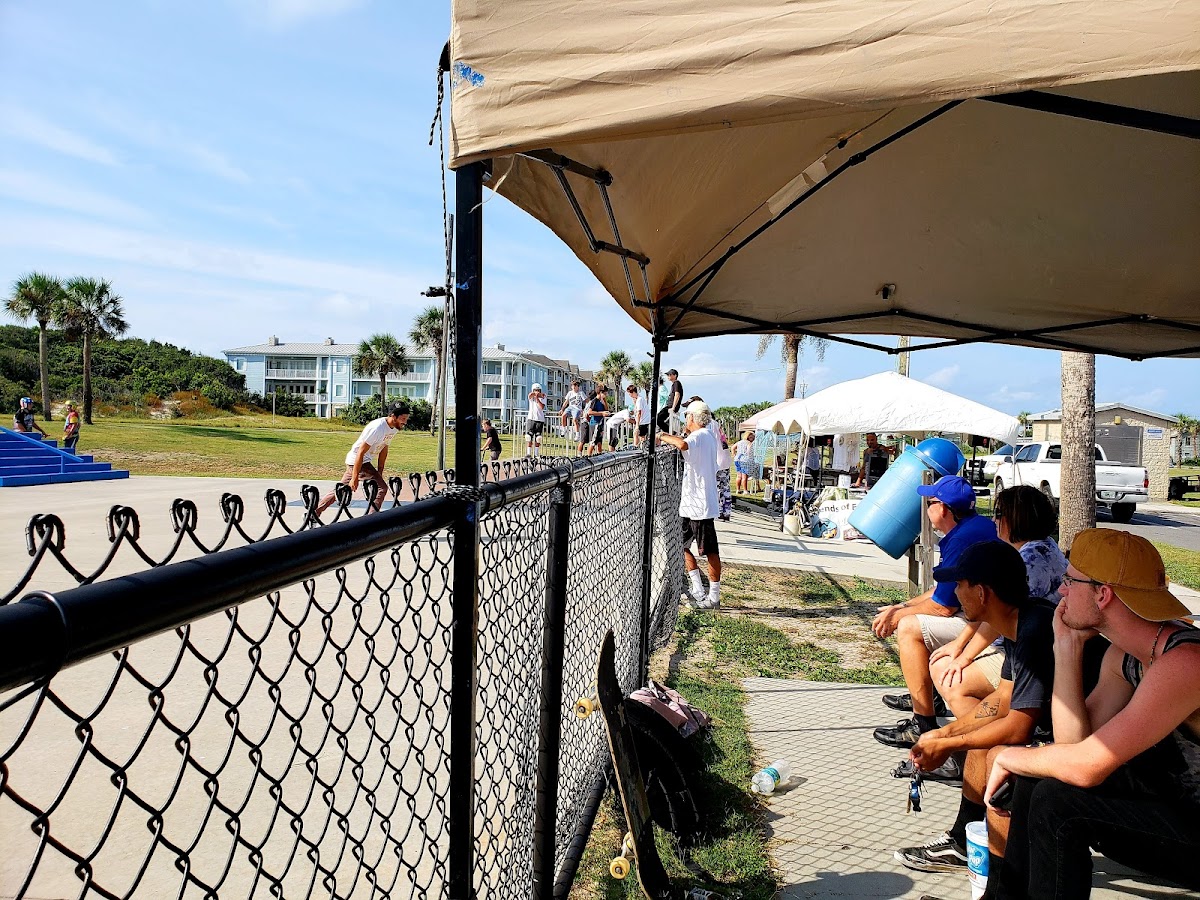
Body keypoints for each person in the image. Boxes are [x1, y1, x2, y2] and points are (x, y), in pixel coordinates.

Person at [980, 530, 1200, 898]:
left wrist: (1010, 754)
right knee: (1038, 780)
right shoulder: (1127, 654)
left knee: (1058, 803)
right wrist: (1066, 646)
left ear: (1103, 594)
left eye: (1069, 580)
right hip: (1177, 806)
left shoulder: (1185, 663)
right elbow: (1074, 746)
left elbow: (1087, 766)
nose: (1061, 591)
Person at [892, 540, 1056, 874]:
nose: (956, 594)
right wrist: (943, 732)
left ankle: (986, 865)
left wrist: (949, 744)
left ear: (981, 593)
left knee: (993, 747)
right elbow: (1002, 699)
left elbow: (1018, 727)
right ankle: (963, 842)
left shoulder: (1034, 629)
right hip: (1061, 733)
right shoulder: (1021, 619)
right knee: (983, 738)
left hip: (1088, 745)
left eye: (961, 585)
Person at [872, 475, 997, 749]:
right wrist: (901, 607)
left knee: (909, 628)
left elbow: (943, 607)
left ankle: (923, 722)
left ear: (943, 508)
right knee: (910, 617)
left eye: (930, 502)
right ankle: (931, 695)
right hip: (983, 619)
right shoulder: (974, 527)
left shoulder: (961, 538)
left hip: (988, 626)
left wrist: (898, 617)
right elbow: (945, 590)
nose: (926, 508)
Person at [926, 486, 1066, 725]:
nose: (994, 519)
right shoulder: (1041, 547)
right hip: (1023, 647)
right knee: (944, 664)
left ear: (1016, 518)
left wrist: (964, 655)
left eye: (999, 513)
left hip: (1032, 654)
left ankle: (978, 747)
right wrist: (960, 646)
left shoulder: (1030, 559)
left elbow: (1002, 614)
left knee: (952, 680)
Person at [658, 400, 722, 610]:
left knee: (709, 550)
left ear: (693, 418)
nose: (686, 420)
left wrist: (662, 436)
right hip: (691, 504)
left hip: (700, 506)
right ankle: (697, 588)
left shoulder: (700, 435)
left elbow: (684, 444)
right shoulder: (707, 437)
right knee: (680, 545)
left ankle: (713, 596)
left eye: (687, 416)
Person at [316, 400, 409, 516]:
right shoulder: (377, 428)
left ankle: (314, 512)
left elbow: (384, 448)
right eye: (403, 418)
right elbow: (360, 452)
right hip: (358, 460)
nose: (405, 422)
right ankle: (371, 520)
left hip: (359, 461)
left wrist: (380, 471)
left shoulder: (394, 428)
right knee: (382, 488)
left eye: (406, 418)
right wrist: (355, 478)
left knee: (342, 490)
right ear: (393, 416)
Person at [579, 387, 609, 456]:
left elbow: (606, 409)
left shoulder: (601, 401)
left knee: (599, 443)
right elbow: (589, 412)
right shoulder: (594, 401)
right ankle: (589, 457)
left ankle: (600, 457)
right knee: (593, 442)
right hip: (595, 424)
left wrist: (604, 400)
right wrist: (601, 413)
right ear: (601, 393)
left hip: (600, 424)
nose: (606, 395)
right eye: (605, 393)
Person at [657, 369, 683, 434]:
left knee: (658, 419)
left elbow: (677, 395)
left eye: (670, 375)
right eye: (668, 375)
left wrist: (673, 408)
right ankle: (670, 431)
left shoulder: (676, 383)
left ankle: (671, 432)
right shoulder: (674, 384)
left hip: (671, 407)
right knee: (659, 419)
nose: (668, 376)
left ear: (675, 375)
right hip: (669, 406)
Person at [525, 383, 546, 457]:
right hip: (531, 418)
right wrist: (535, 394)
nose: (537, 391)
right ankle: (528, 453)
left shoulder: (543, 397)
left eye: (538, 390)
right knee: (529, 436)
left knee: (538, 438)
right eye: (535, 390)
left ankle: (536, 454)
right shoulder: (531, 397)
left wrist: (537, 398)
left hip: (540, 419)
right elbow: (530, 395)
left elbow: (542, 407)